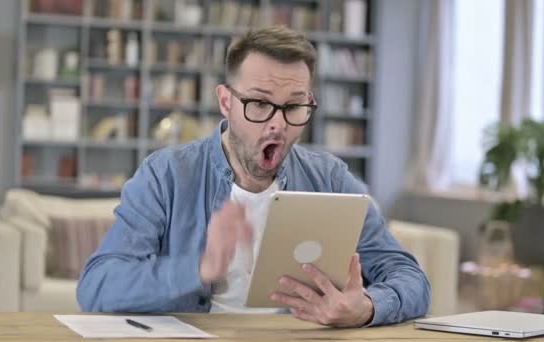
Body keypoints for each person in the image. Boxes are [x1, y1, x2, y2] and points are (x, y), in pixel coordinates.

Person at [77, 26, 430, 327]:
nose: (277, 123)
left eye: (293, 107)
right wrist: (198, 269)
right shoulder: (166, 175)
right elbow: (96, 286)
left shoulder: (331, 180)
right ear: (226, 101)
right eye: (259, 103)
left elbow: (411, 279)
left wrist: (366, 307)